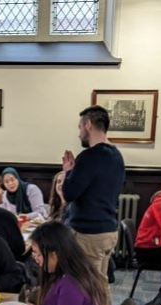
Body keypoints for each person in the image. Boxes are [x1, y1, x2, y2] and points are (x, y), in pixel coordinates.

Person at [61, 105, 125, 278]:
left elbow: (69, 193)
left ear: (88, 124)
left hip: (89, 234)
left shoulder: (88, 157)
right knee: (100, 285)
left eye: (80, 127)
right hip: (108, 230)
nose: (79, 133)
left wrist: (68, 172)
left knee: (86, 287)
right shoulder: (117, 156)